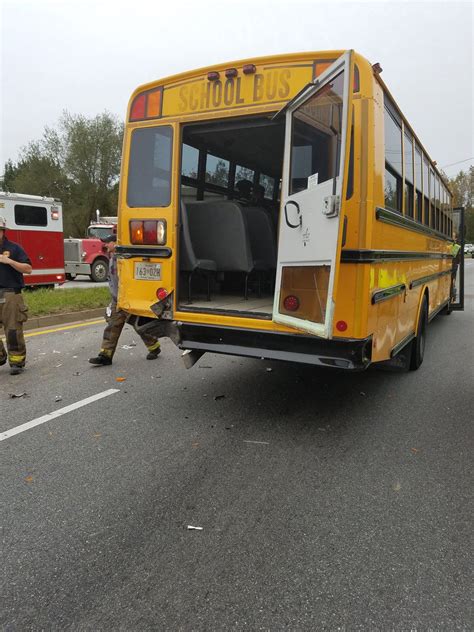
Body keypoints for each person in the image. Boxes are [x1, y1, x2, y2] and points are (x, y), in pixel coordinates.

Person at [89, 235, 161, 366]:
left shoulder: (124, 258)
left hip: (130, 299)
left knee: (140, 326)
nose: (105, 245)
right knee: (112, 326)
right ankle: (105, 355)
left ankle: (154, 347)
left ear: (116, 243)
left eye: (108, 243)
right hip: (118, 300)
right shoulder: (111, 258)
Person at [0, 216, 33, 375]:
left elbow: (28, 269)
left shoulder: (14, 248)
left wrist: (9, 261)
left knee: (12, 330)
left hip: (11, 294)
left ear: (3, 231)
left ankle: (17, 362)